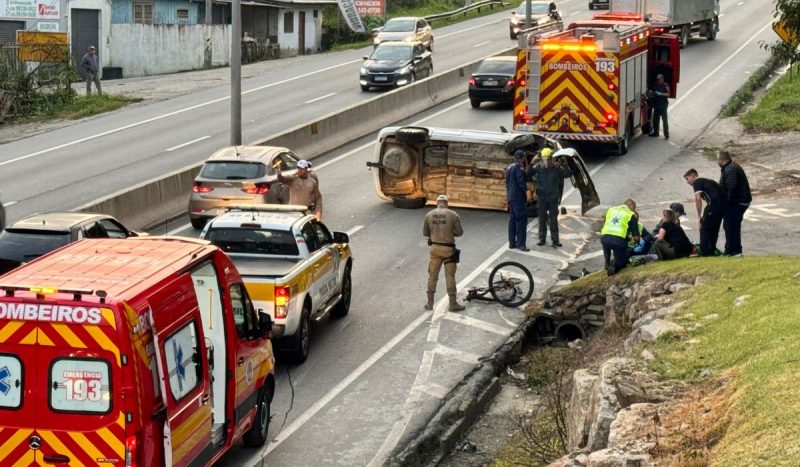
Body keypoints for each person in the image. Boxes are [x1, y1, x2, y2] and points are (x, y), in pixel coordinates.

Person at [423, 194, 465, 312]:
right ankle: (453, 303)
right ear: (447, 203)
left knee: (432, 276)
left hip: (435, 249)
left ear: (437, 203)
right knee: (450, 276)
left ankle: (430, 303)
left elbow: (425, 234)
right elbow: (459, 233)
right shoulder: (453, 215)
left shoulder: (428, 215)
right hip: (449, 251)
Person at [528, 148, 571, 247]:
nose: (545, 162)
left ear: (551, 158)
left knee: (553, 220)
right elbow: (528, 174)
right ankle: (542, 239)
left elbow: (567, 174)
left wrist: (564, 163)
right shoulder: (538, 167)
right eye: (543, 159)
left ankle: (555, 240)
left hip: (552, 198)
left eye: (547, 159)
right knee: (542, 219)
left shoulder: (557, 168)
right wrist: (532, 163)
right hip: (542, 198)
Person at [683, 168, 725, 256]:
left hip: (714, 205)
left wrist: (699, 216)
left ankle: (704, 252)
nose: (687, 182)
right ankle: (711, 250)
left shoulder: (697, 182)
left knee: (704, 227)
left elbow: (698, 200)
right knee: (714, 229)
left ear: (693, 176)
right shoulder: (708, 181)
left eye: (687, 179)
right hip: (722, 207)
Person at [717, 151, 751, 256]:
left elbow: (732, 187)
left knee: (730, 226)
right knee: (731, 226)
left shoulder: (730, 169)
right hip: (740, 201)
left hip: (736, 202)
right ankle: (732, 251)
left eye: (717, 159)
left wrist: (726, 203)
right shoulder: (731, 167)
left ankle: (734, 251)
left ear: (721, 160)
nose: (717, 162)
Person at [600, 199, 640, 276]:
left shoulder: (611, 210)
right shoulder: (630, 215)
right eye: (634, 208)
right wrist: (636, 244)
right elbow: (636, 237)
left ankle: (607, 263)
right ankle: (615, 264)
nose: (634, 211)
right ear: (630, 205)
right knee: (622, 261)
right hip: (618, 241)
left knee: (606, 246)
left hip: (604, 237)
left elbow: (605, 222)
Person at [506, 150, 530, 251]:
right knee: (521, 220)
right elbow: (521, 183)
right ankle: (521, 243)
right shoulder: (519, 168)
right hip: (518, 197)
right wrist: (526, 192)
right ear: (522, 158)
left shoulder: (509, 167)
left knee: (512, 220)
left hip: (511, 196)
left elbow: (507, 183)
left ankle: (512, 243)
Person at [649, 74, 669, 139]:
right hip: (657, 105)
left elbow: (668, 94)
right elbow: (652, 90)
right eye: (657, 80)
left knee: (664, 120)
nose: (658, 81)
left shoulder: (665, 85)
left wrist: (661, 94)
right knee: (655, 120)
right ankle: (656, 132)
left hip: (663, 105)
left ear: (662, 80)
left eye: (659, 80)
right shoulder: (656, 85)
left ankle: (666, 134)